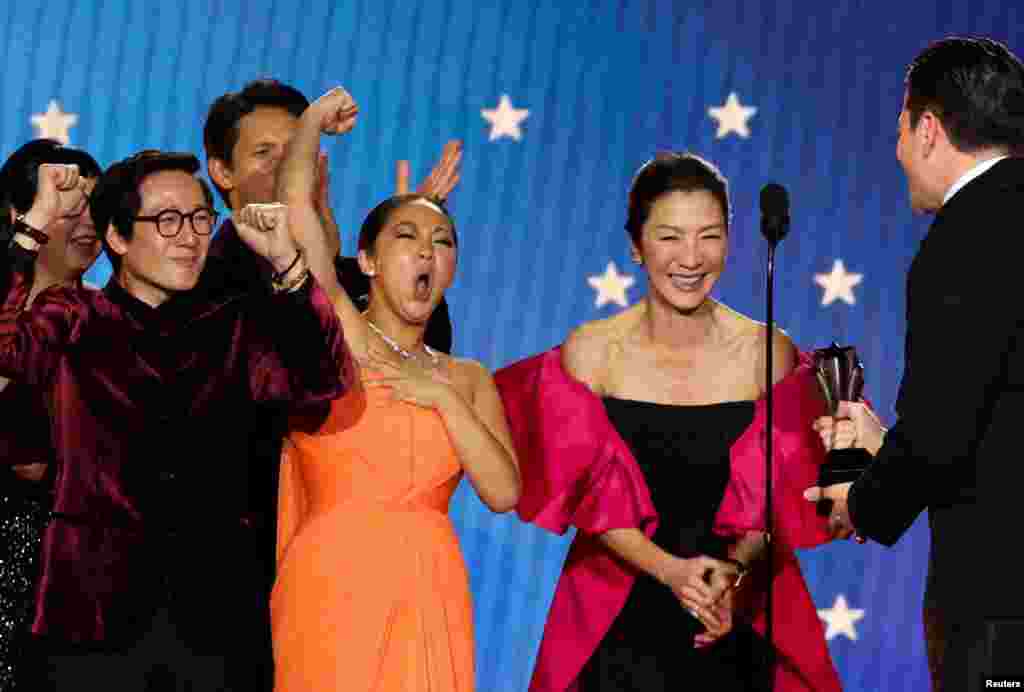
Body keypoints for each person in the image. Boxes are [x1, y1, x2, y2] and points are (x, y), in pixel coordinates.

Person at [2, 149, 354, 691]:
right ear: (116, 239)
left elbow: (324, 382)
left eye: (199, 219)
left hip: (216, 626)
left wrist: (289, 267)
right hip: (90, 621)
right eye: (167, 220)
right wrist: (33, 227)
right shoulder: (73, 316)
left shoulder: (236, 325)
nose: (189, 237)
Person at [494, 152, 842, 691]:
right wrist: (672, 572)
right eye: (669, 237)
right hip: (618, 617)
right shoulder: (592, 352)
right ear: (636, 246)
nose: (691, 257)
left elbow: (773, 493)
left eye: (709, 236)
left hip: (732, 612)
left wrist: (736, 572)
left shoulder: (767, 351)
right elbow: (590, 496)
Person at [269, 86, 520, 692]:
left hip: (430, 585)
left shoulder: (468, 378)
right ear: (369, 261)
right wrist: (309, 124)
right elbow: (296, 210)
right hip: (330, 581)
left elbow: (504, 491)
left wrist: (438, 395)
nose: (427, 252)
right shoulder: (342, 337)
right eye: (406, 238)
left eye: (442, 242)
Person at [806, 36, 1024, 692]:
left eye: (901, 128)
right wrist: (885, 441)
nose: (898, 151)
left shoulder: (964, 239)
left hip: (1000, 605)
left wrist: (862, 500)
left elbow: (943, 434)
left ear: (928, 130)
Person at [202, 78, 460, 351]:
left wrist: (405, 257)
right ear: (223, 172)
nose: (286, 166)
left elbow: (429, 363)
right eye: (264, 152)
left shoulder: (360, 280)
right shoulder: (203, 284)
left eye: (296, 151)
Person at [0, 140, 102, 691]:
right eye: (69, 205)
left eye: (94, 204)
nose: (87, 222)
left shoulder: (109, 324)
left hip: (71, 575)